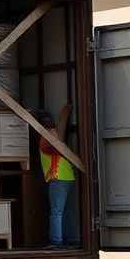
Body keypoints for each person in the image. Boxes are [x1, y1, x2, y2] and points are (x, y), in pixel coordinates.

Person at [37, 104, 77, 249]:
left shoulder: (46, 138)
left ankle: (56, 241)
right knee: (66, 211)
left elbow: (52, 147)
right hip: (67, 177)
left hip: (57, 177)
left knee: (56, 211)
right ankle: (71, 238)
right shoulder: (55, 137)